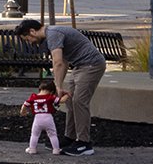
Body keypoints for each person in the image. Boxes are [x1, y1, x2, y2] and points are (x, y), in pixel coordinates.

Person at [16, 17, 104, 156]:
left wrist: (57, 85)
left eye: (27, 38)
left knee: (79, 102)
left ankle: (84, 144)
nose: (30, 42)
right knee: (70, 101)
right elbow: (63, 62)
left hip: (91, 65)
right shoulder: (52, 34)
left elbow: (57, 63)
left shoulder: (53, 34)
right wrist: (59, 86)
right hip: (80, 66)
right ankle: (70, 138)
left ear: (32, 31)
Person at [21, 85, 62, 156]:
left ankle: (32, 149)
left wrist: (23, 111)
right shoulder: (50, 97)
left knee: (34, 135)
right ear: (51, 91)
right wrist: (68, 94)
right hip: (48, 117)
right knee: (52, 135)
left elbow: (25, 104)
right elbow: (61, 101)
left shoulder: (33, 97)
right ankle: (56, 149)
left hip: (37, 118)